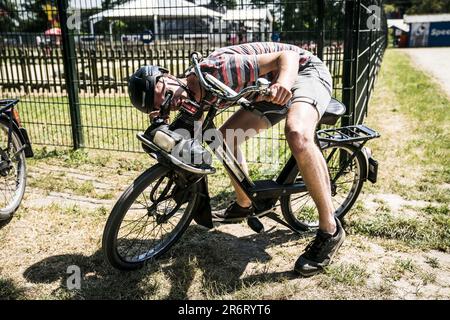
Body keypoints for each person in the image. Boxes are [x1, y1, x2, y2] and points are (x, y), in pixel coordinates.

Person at [127, 42, 345, 277]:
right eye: (162, 106)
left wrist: (282, 83)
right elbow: (190, 135)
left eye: (164, 95)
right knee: (220, 139)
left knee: (297, 134)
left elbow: (288, 56)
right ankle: (244, 205)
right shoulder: (191, 95)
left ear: (167, 76)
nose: (170, 104)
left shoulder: (217, 71)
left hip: (302, 71)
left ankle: (330, 230)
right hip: (267, 87)